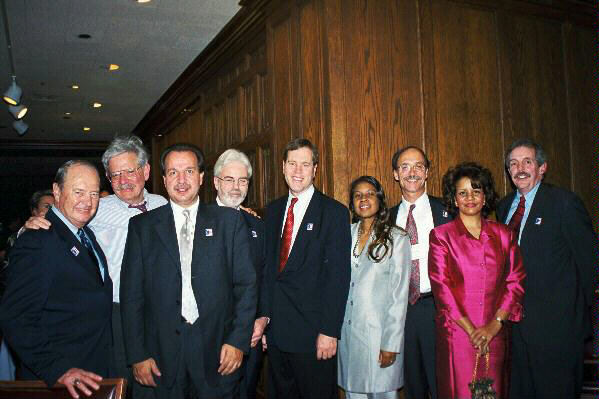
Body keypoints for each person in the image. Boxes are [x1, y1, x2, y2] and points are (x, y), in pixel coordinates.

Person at [21, 135, 167, 392]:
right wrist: (28, 228)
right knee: (121, 383)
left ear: (145, 171)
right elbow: (59, 226)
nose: (123, 181)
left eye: (130, 171)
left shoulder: (163, 204)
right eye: (115, 175)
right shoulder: (95, 208)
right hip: (115, 314)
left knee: (161, 383)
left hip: (159, 312)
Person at [120, 143, 257, 398]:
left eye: (189, 171)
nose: (181, 180)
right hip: (161, 356)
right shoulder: (142, 227)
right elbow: (131, 297)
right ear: (163, 179)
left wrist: (238, 341)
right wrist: (137, 354)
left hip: (219, 353)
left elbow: (246, 286)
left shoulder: (229, 222)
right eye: (173, 172)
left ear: (202, 177)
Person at [0, 160, 113, 399]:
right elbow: (16, 318)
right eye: (79, 192)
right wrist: (57, 369)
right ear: (57, 191)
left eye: (94, 193)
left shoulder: (85, 234)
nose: (88, 201)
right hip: (61, 382)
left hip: (91, 372)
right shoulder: (37, 241)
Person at [496, 138, 598, 398]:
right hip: (517, 330)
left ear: (542, 168)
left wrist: (570, 315)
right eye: (513, 163)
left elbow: (589, 263)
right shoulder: (504, 207)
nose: (520, 168)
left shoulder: (564, 203)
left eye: (527, 162)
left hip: (559, 332)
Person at [262, 138, 351, 399]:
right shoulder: (273, 210)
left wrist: (329, 331)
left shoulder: (333, 213)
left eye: (305, 164)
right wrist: (264, 320)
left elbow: (338, 277)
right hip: (276, 334)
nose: (297, 171)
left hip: (314, 337)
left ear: (315, 169)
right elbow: (267, 272)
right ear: (283, 167)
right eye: (292, 163)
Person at [428, 162, 525, 398]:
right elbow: (442, 288)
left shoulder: (504, 235)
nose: (469, 198)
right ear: (454, 198)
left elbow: (516, 281)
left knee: (494, 392)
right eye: (463, 192)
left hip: (496, 331)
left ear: (485, 196)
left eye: (476, 191)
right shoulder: (441, 236)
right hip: (458, 334)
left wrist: (494, 325)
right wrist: (472, 330)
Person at [338, 176, 410, 399]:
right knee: (353, 393)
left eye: (369, 194)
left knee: (384, 393)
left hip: (380, 337)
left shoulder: (396, 238)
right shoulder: (344, 234)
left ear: (379, 199)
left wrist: (391, 343)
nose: (363, 199)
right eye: (358, 195)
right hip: (348, 335)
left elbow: (399, 295)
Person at [388, 146, 451, 399]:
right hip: (401, 313)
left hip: (439, 309)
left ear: (427, 173)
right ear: (395, 174)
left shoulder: (448, 212)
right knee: (412, 386)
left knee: (443, 384)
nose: (411, 172)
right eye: (404, 167)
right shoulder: (385, 217)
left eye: (418, 166)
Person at [213, 148, 267, 399]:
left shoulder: (257, 225)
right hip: (211, 339)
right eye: (229, 179)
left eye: (242, 180)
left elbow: (265, 276)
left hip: (252, 337)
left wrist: (263, 319)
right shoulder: (198, 220)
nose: (236, 187)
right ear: (215, 182)